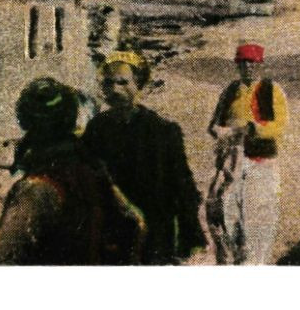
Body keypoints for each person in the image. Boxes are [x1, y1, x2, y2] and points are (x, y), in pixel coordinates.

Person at [0, 77, 144, 265]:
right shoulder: (92, 170)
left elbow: (3, 262)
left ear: (26, 121)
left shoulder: (36, 189)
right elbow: (134, 224)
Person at [81, 50, 206, 264]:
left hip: (154, 231)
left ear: (138, 84)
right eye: (109, 83)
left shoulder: (164, 131)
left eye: (123, 82)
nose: (115, 89)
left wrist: (190, 236)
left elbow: (183, 185)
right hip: (111, 229)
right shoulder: (96, 128)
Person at [207, 42, 288, 264]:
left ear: (260, 65)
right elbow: (213, 125)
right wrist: (224, 134)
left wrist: (249, 129)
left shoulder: (272, 90)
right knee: (225, 216)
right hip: (231, 162)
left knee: (259, 222)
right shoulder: (230, 91)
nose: (247, 67)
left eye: (252, 63)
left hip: (261, 162)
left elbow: (278, 127)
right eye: (242, 63)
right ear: (237, 66)